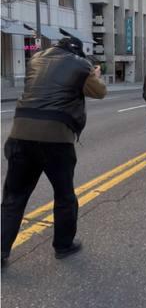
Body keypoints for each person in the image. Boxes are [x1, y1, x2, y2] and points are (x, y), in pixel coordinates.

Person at [1, 37, 106, 265]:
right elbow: (99, 92)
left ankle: (1, 251)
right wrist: (94, 74)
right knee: (64, 195)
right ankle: (63, 246)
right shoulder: (81, 64)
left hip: (20, 134)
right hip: (56, 138)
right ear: (77, 51)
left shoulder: (36, 59)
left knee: (14, 197)